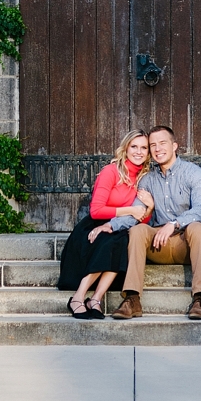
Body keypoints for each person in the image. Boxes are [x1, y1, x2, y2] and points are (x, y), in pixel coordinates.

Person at [112, 125, 201, 321]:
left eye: (162, 143)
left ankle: (200, 299)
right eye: (153, 145)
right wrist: (109, 225)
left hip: (186, 244)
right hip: (158, 244)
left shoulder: (194, 174)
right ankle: (132, 299)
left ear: (174, 145)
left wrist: (174, 224)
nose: (157, 149)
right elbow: (136, 212)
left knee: (198, 227)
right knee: (139, 229)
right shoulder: (147, 180)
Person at [58, 129, 155, 319]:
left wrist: (149, 208)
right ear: (125, 148)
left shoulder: (146, 178)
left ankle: (95, 299)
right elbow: (96, 210)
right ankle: (77, 297)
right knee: (110, 241)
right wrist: (127, 211)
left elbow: (141, 218)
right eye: (134, 146)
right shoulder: (111, 171)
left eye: (144, 148)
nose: (139, 151)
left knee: (119, 240)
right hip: (94, 226)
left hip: (121, 228)